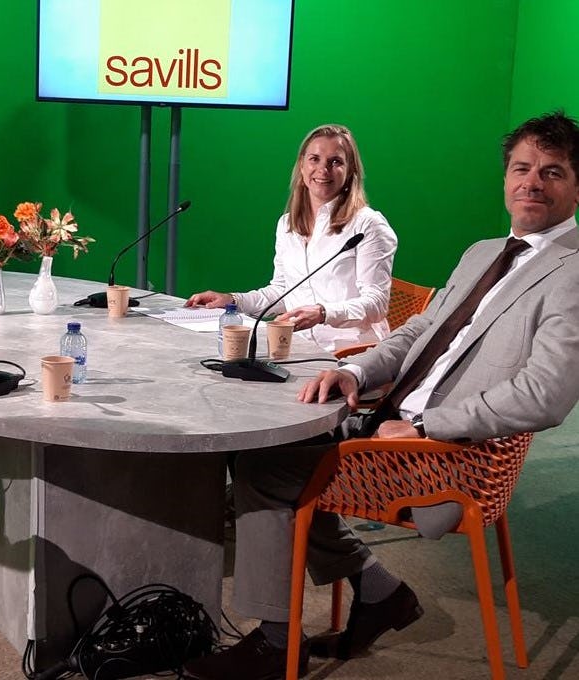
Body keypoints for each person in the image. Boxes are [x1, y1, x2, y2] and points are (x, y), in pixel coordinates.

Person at [183, 110, 579, 680]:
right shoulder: (484, 251)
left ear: (576, 186)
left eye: (552, 171)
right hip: (388, 417)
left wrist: (424, 428)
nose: (531, 183)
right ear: (505, 178)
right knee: (265, 447)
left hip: (446, 454)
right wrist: (356, 373)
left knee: (263, 471)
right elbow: (420, 330)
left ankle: (277, 642)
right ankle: (380, 592)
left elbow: (546, 395)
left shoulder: (571, 271)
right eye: (521, 168)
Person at [186, 124, 397, 354]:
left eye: (335, 161)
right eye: (314, 159)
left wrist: (323, 313)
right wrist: (232, 300)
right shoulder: (287, 224)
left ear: (351, 171)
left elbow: (377, 303)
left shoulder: (368, 224)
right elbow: (282, 291)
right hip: (298, 347)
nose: (323, 169)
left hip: (351, 352)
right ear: (302, 166)